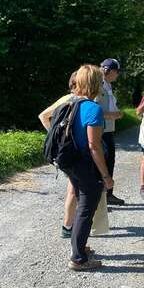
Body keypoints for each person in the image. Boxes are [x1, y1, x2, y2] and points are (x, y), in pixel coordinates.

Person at [67, 64, 114, 270]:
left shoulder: (69, 103)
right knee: (87, 209)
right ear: (95, 83)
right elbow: (94, 146)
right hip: (85, 164)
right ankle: (78, 259)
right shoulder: (92, 108)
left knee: (81, 206)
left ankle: (80, 248)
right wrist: (106, 176)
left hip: (70, 162)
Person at [38, 71, 78, 238]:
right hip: (68, 151)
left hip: (70, 150)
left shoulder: (77, 100)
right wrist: (57, 138)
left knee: (74, 188)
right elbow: (43, 116)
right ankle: (68, 227)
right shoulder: (68, 99)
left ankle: (69, 225)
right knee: (74, 189)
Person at [96, 58, 124, 205]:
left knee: (109, 161)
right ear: (110, 71)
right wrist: (113, 115)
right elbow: (94, 109)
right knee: (103, 163)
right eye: (117, 72)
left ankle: (108, 195)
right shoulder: (97, 85)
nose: (117, 75)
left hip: (108, 130)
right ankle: (101, 198)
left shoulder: (107, 85)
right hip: (99, 131)